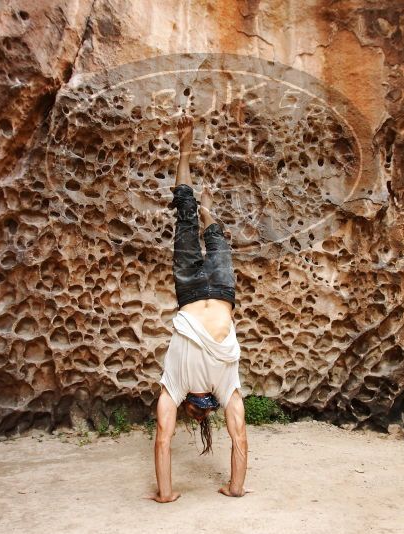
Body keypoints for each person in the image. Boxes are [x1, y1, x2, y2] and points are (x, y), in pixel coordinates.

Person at [150, 115, 250, 503]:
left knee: (189, 213)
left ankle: (186, 148)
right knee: (204, 222)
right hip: (210, 290)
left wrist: (167, 495)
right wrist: (234, 489)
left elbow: (163, 439)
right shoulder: (214, 386)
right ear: (198, 406)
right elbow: (236, 434)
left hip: (199, 291)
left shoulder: (179, 385)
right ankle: (206, 208)